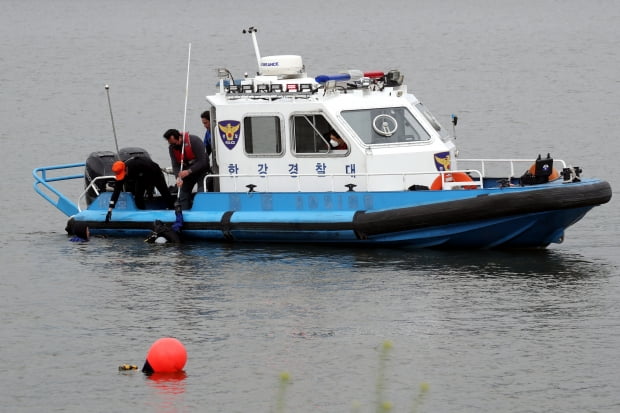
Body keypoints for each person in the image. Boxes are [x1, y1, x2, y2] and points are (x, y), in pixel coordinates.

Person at [105, 157, 175, 222]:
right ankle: (142, 213)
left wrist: (149, 191)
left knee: (164, 192)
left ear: (126, 169)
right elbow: (116, 191)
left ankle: (172, 210)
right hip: (140, 177)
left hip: (154, 172)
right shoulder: (121, 171)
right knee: (138, 197)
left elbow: (150, 177)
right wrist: (110, 209)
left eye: (123, 174)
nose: (123, 176)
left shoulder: (137, 165)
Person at [163, 128, 210, 210]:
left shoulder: (195, 141)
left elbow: (203, 161)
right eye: (171, 144)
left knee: (201, 191)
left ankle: (201, 211)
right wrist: (178, 177)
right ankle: (184, 212)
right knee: (182, 193)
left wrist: (189, 171)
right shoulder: (172, 148)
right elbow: (175, 165)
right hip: (187, 172)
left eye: (174, 143)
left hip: (201, 170)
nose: (173, 146)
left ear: (180, 138)